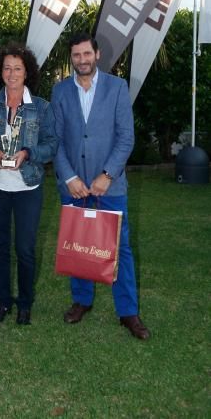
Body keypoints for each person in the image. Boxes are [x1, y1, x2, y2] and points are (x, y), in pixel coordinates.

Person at [51, 31, 150, 340]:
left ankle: (128, 312)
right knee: (78, 244)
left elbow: (126, 137)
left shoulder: (117, 88)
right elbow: (55, 140)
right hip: (74, 186)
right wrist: (69, 178)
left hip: (111, 185)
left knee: (120, 248)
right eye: (76, 55)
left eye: (86, 54)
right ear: (72, 58)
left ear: (96, 55)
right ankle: (82, 300)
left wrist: (107, 174)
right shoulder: (60, 91)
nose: (82, 60)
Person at [0, 43, 58, 325]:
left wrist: (29, 153)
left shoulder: (42, 108)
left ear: (27, 73)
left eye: (18, 68)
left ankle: (24, 303)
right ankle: (3, 301)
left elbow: (52, 145)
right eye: (7, 68)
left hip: (28, 187)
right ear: (1, 72)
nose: (12, 74)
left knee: (24, 248)